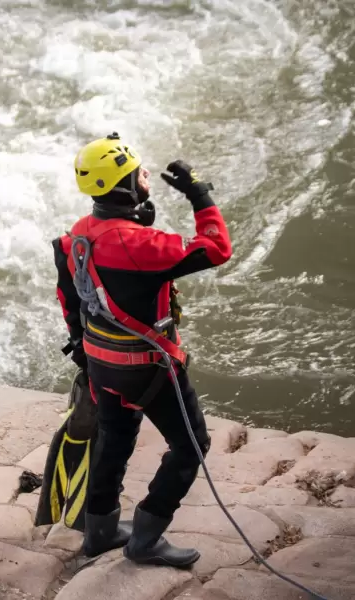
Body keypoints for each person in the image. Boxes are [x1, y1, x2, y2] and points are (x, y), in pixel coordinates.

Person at [50, 132, 233, 568]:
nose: (145, 174)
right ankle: (146, 539)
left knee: (114, 438)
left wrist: (83, 349)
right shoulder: (141, 245)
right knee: (191, 447)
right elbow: (217, 247)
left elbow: (69, 298)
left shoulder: (77, 236)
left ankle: (101, 531)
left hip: (101, 363)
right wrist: (200, 193)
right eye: (138, 171)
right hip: (147, 368)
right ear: (125, 185)